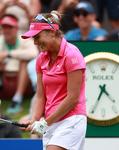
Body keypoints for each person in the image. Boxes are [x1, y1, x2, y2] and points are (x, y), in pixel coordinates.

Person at [20, 10, 87, 150]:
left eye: (37, 37)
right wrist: (34, 119)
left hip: (71, 119)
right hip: (51, 122)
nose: (35, 43)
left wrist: (45, 122)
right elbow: (40, 96)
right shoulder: (41, 59)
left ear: (52, 32)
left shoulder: (72, 55)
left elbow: (73, 98)